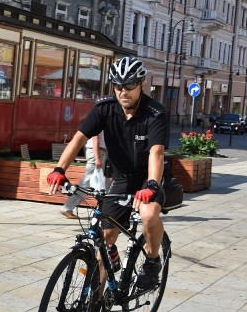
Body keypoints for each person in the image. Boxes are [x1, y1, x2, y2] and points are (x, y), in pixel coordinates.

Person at [47, 56, 167, 290]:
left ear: (141, 84)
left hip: (149, 178)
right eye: (118, 85)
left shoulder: (155, 113)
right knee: (105, 238)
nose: (124, 91)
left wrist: (152, 184)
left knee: (149, 214)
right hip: (122, 178)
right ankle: (95, 300)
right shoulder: (105, 108)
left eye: (130, 85)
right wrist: (60, 169)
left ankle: (152, 262)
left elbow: (157, 153)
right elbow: (78, 138)